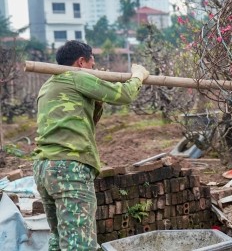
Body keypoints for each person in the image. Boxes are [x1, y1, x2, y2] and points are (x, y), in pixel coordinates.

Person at [32, 40, 149, 251]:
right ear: (81, 61)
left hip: (44, 168)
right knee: (80, 246)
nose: (93, 69)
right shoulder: (77, 76)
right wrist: (138, 75)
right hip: (69, 169)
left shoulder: (49, 85)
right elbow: (124, 95)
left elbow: (86, 122)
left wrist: (97, 100)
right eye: (92, 64)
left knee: (59, 240)